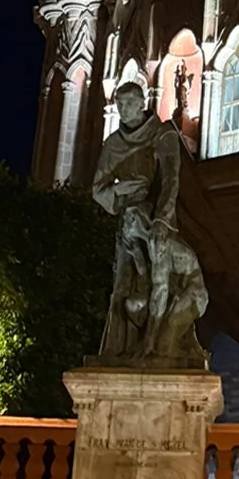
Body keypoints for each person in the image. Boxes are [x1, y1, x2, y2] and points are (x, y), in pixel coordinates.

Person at [92, 80, 208, 366]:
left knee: (157, 278)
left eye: (129, 103)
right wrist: (121, 189)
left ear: (142, 103)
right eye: (118, 103)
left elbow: (171, 178)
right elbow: (98, 189)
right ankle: (118, 350)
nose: (122, 109)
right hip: (130, 221)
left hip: (154, 218)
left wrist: (162, 220)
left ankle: (152, 345)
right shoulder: (112, 144)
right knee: (123, 288)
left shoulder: (163, 134)